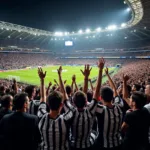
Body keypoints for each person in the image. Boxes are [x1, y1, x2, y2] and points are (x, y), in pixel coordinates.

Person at [63, 58, 105, 150]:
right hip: (88, 145)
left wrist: (62, 80)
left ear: (73, 102)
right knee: (94, 133)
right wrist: (100, 70)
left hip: (73, 146)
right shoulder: (90, 110)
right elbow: (97, 91)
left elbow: (65, 97)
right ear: (86, 101)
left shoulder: (71, 111)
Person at [37, 67, 74, 150]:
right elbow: (66, 99)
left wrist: (42, 80)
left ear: (48, 104)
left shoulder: (41, 115)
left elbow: (43, 97)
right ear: (61, 105)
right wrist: (60, 76)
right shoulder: (66, 118)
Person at [95, 67, 123, 150]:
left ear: (101, 98)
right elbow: (115, 90)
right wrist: (107, 75)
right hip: (118, 143)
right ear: (112, 97)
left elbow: (95, 94)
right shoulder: (119, 106)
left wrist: (100, 71)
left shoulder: (100, 110)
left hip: (104, 145)